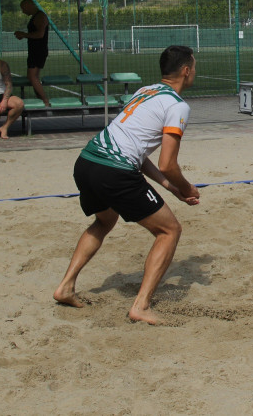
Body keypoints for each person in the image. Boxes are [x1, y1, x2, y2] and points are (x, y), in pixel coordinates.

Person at [53, 45, 201, 325]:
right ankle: (141, 306)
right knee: (169, 231)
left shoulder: (145, 91)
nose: (195, 71)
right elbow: (168, 164)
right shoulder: (177, 106)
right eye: (194, 66)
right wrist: (187, 187)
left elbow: (138, 154)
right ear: (185, 70)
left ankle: (66, 286)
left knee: (104, 222)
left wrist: (171, 188)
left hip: (87, 161)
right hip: (113, 170)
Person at [14, 0, 50, 106]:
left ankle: (45, 101)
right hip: (35, 50)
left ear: (29, 5)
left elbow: (40, 34)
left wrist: (24, 35)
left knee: (32, 76)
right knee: (34, 77)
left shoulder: (40, 16)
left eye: (23, 8)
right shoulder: (36, 16)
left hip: (38, 51)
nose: (23, 11)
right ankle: (40, 100)